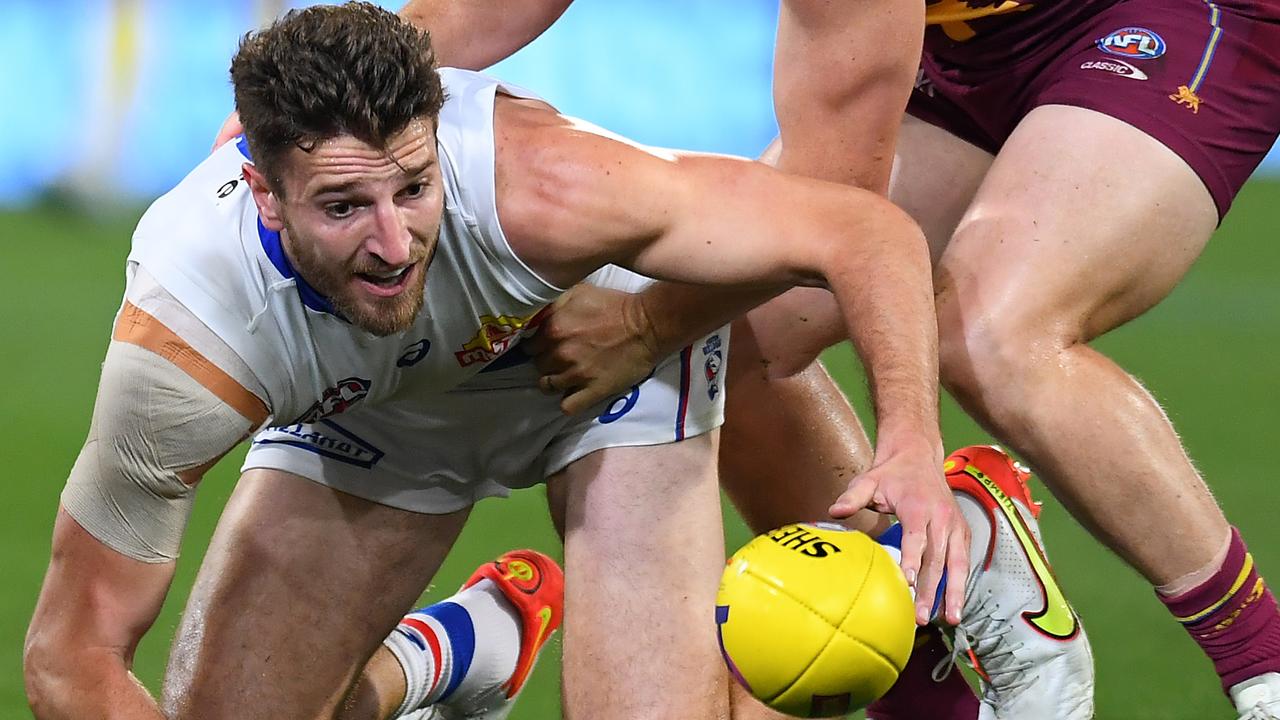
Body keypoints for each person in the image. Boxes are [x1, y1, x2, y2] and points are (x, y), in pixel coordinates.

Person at [23, 4, 947, 719]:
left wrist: (909, 440)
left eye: (415, 189)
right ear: (262, 191)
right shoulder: (187, 340)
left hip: (604, 368)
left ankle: (967, 534)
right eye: (344, 206)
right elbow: (72, 654)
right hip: (384, 410)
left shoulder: (544, 184)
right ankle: (459, 650)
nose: (393, 244)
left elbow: (862, 229)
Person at [374, 0, 1280, 717]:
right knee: (727, 338)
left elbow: (841, 206)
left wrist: (649, 326)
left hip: (1161, 13)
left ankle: (1264, 664)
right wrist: (335, 96)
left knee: (997, 331)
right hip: (952, 43)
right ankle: (941, 628)